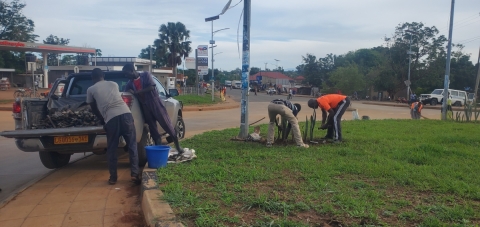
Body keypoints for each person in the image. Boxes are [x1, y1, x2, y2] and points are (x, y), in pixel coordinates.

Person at [86, 68, 140, 185]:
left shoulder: (91, 89)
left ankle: (113, 178)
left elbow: (93, 108)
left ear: (92, 78)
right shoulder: (114, 84)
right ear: (103, 75)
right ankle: (135, 174)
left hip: (111, 119)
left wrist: (102, 120)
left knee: (112, 149)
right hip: (126, 114)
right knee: (132, 146)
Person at [122, 64, 184, 158]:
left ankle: (178, 147)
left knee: (167, 124)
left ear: (132, 70)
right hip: (145, 107)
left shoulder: (146, 75)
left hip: (155, 103)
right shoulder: (130, 83)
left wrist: (136, 92)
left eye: (126, 74)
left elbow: (151, 87)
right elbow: (125, 94)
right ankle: (159, 151)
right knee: (153, 129)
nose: (126, 76)